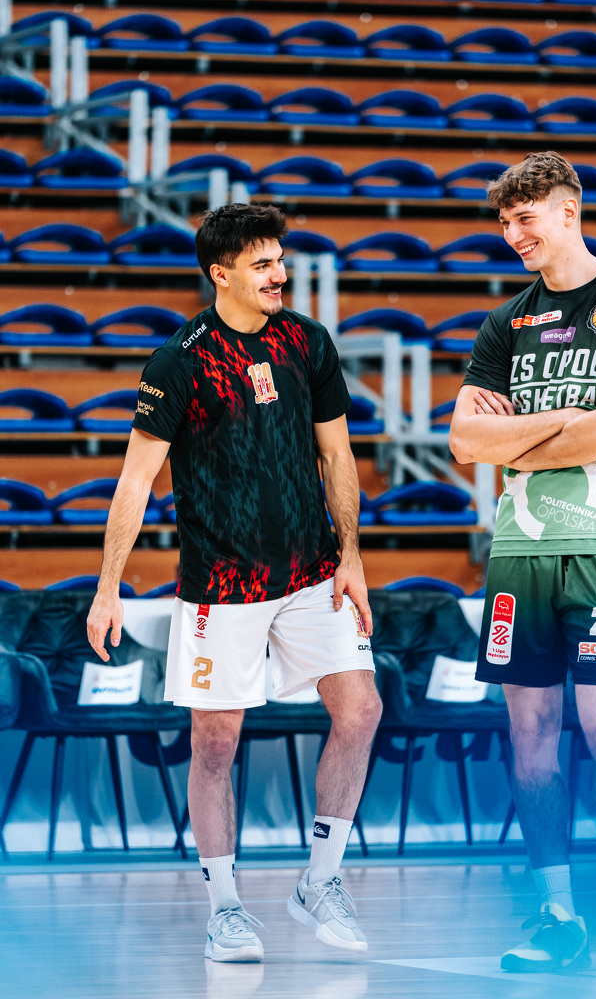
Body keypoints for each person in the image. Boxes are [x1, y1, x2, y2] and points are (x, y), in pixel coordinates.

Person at [87, 203, 382, 963]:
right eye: (261, 265)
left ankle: (320, 880)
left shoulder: (308, 342)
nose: (279, 274)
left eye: (279, 259)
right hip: (222, 585)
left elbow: (337, 457)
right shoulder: (179, 361)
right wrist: (108, 586)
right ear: (220, 275)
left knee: (361, 710)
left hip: (313, 572)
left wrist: (351, 556)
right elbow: (135, 482)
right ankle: (224, 908)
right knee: (215, 743)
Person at [449, 151, 596, 972]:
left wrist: (518, 439)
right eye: (504, 223)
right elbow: (463, 441)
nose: (513, 234)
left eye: (525, 218)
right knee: (530, 733)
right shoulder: (504, 323)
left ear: (568, 211)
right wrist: (568, 424)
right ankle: (555, 912)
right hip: (519, 552)